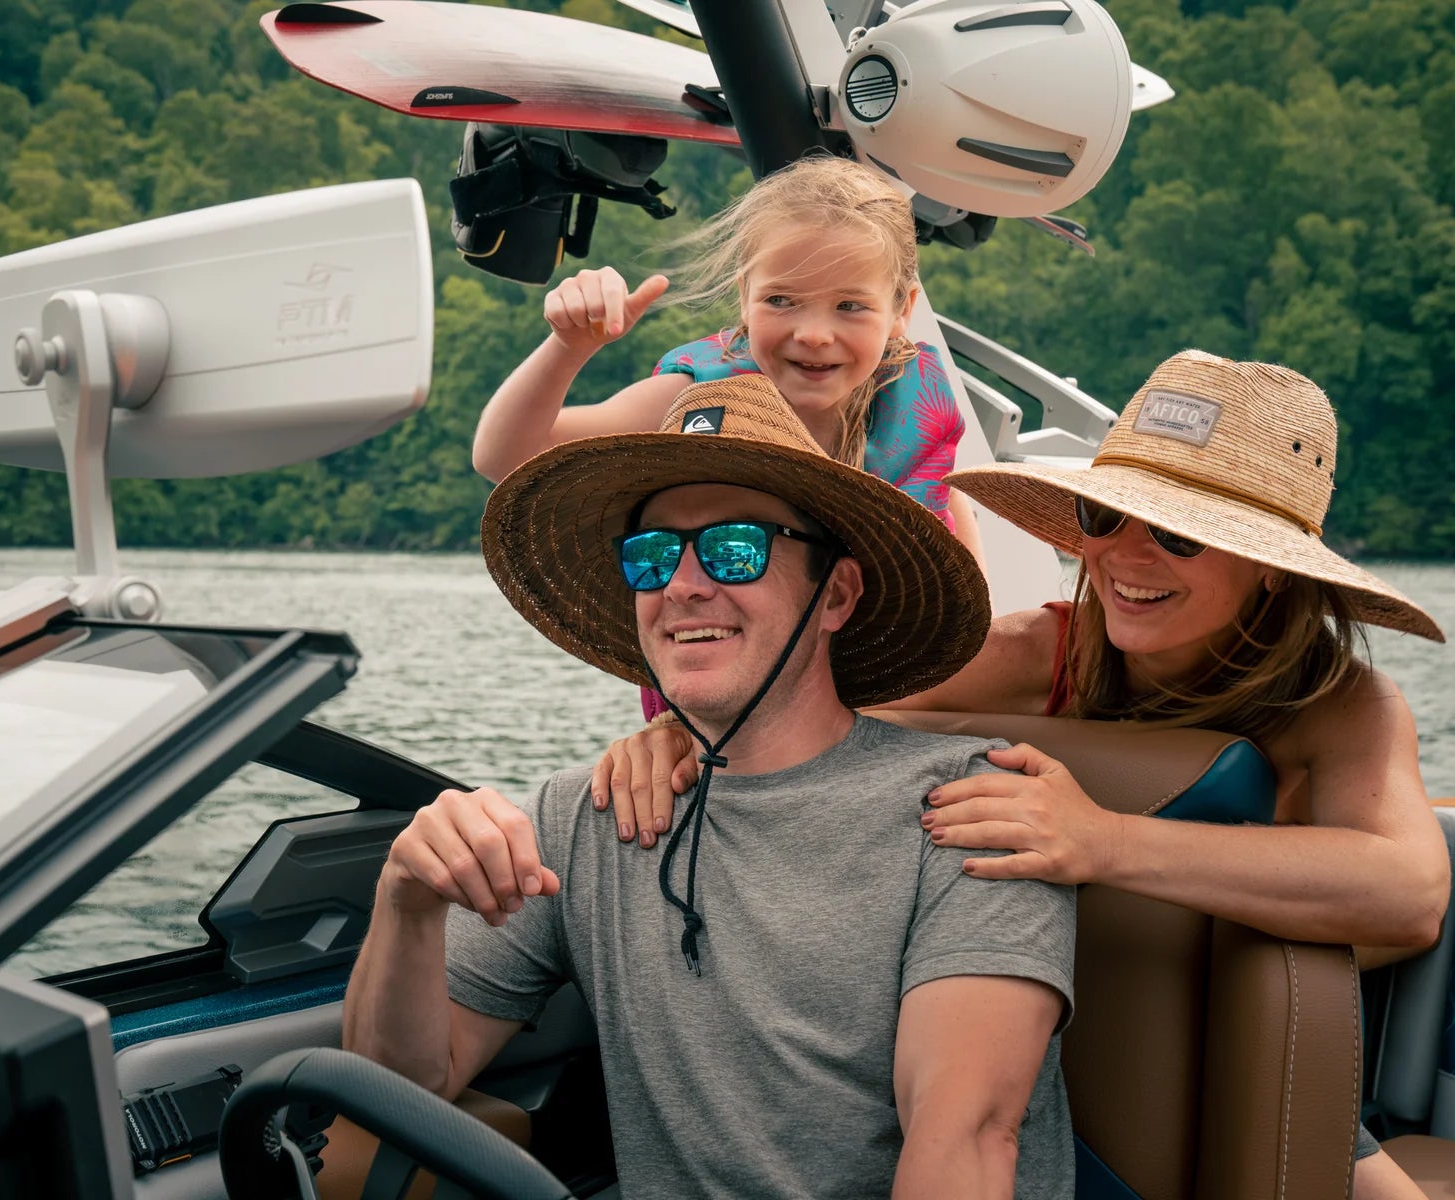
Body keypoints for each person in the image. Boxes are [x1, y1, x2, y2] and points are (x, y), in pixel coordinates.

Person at [588, 350, 1451, 1198]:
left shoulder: (1339, 703)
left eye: (1180, 536)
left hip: (1278, 1032)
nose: (1125, 558)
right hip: (1034, 1009)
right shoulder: (1047, 651)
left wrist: (1102, 841)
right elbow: (785, 691)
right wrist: (685, 740)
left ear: (1269, 564)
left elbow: (1409, 893)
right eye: (1104, 517)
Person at [344, 374, 1078, 1197]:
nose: (684, 585)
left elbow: (967, 1141)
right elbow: (403, 1088)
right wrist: (406, 902)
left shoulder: (973, 807)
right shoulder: (584, 815)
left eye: (736, 548)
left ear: (836, 593)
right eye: (653, 556)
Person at [469, 154, 986, 565]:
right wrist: (568, 347)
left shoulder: (916, 409)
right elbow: (503, 457)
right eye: (780, 301)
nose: (811, 335)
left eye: (850, 306)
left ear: (902, 310)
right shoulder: (695, 399)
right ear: (745, 297)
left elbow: (962, 603)